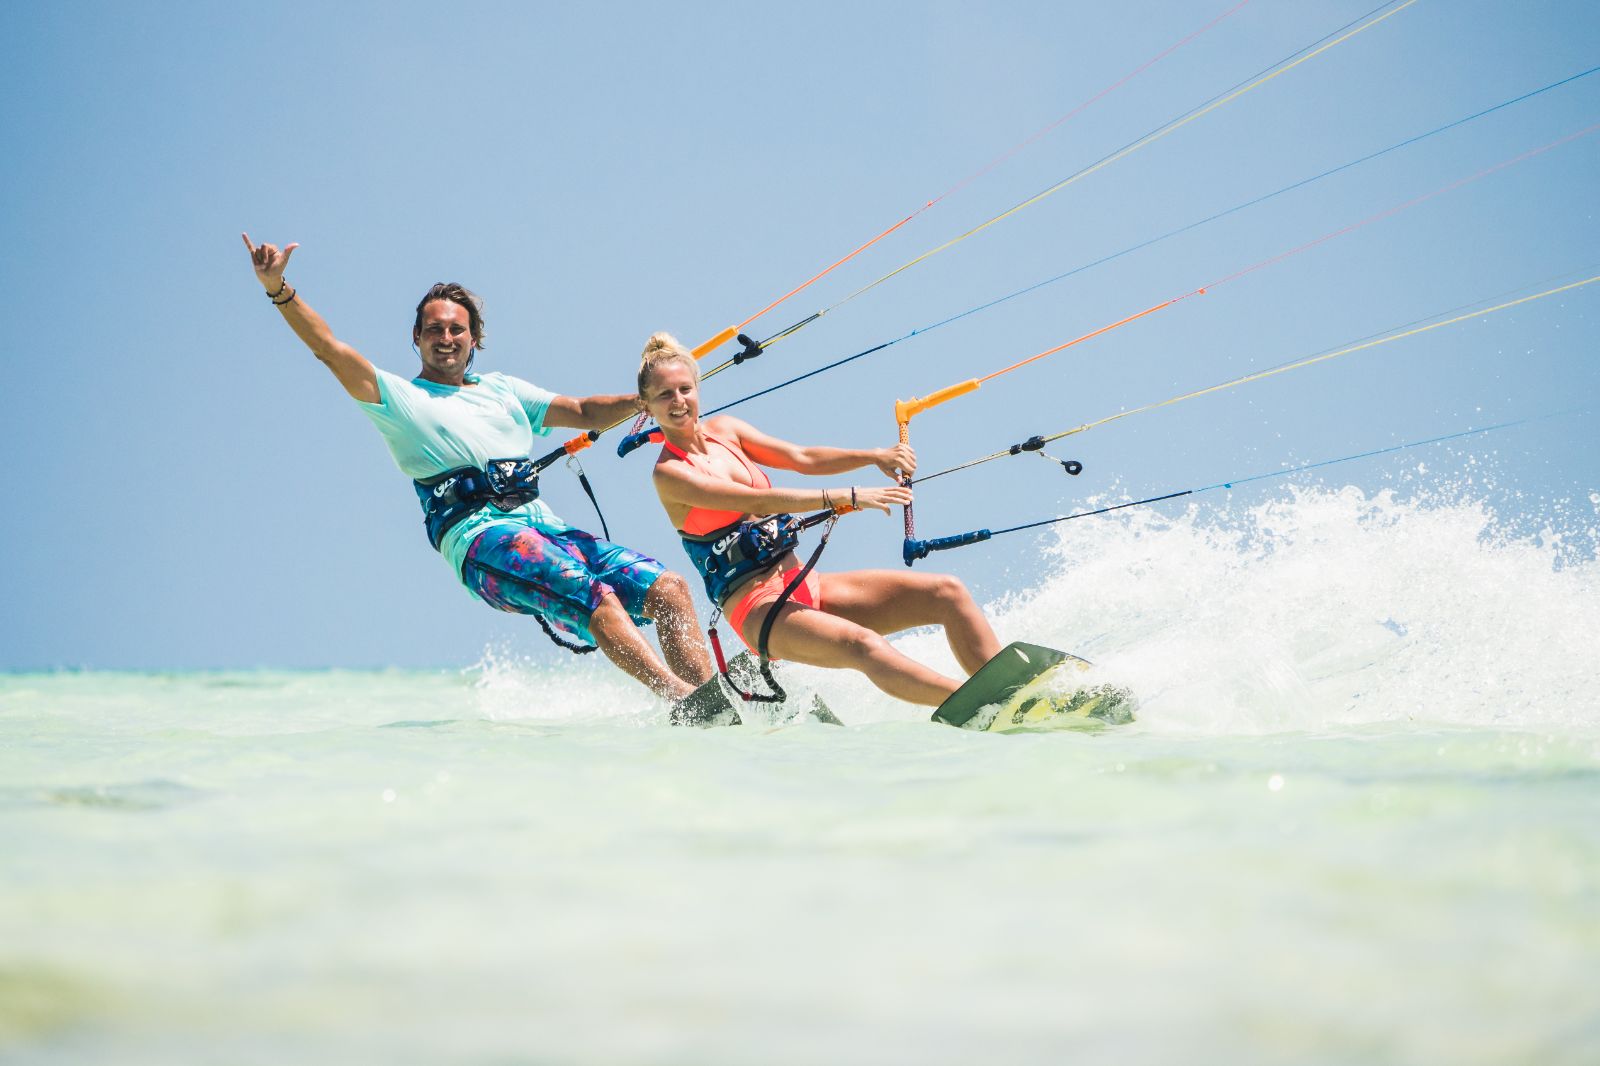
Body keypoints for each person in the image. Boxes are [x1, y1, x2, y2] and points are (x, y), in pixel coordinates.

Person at [241, 235, 720, 709]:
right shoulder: (398, 400)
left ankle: (713, 702)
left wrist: (651, 400)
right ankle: (681, 700)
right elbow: (328, 349)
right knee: (592, 594)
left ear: (474, 339)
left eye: (456, 330)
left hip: (546, 530)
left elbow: (581, 409)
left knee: (670, 591)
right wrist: (279, 288)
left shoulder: (502, 390)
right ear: (416, 337)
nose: (445, 338)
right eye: (434, 329)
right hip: (480, 540)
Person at [638, 332, 1003, 706]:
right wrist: (845, 495)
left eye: (685, 389)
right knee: (864, 645)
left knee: (946, 593)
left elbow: (802, 457)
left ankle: (1009, 690)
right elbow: (756, 499)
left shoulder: (727, 431)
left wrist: (874, 455)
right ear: (646, 407)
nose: (678, 401)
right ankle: (980, 704)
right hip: (760, 609)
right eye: (665, 395)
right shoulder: (669, 473)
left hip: (803, 582)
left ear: (697, 389)